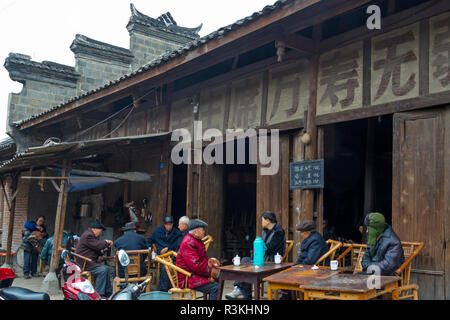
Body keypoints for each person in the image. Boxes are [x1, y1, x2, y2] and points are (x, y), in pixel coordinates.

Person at [226, 211, 286, 300]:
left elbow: (270, 248)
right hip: (263, 257)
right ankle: (239, 289)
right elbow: (262, 246)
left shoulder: (278, 232)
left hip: (272, 260)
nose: (261, 222)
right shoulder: (265, 231)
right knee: (245, 260)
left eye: (262, 220)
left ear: (268, 220)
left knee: (248, 265)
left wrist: (259, 247)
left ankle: (243, 292)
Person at [176, 219, 218, 300]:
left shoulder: (197, 240)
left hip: (196, 274)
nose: (204, 232)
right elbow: (196, 265)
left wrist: (211, 265)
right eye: (202, 230)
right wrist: (209, 273)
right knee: (215, 287)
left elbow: (204, 259)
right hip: (188, 277)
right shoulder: (188, 242)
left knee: (219, 279)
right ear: (195, 232)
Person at [75, 221, 113, 299]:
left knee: (106, 268)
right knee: (103, 270)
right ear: (95, 229)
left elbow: (95, 248)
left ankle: (108, 292)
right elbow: (97, 245)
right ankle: (99, 294)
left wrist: (103, 250)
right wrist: (106, 242)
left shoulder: (89, 235)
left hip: (89, 261)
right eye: (100, 230)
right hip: (85, 263)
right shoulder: (88, 235)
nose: (101, 233)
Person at [147, 216, 181, 291]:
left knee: (168, 265)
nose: (168, 226)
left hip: (171, 254)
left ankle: (164, 288)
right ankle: (165, 287)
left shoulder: (177, 233)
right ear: (164, 225)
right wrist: (151, 250)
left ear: (172, 224)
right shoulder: (157, 231)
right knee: (167, 265)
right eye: (167, 224)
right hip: (160, 255)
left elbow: (179, 246)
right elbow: (149, 240)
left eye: (170, 224)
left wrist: (170, 251)